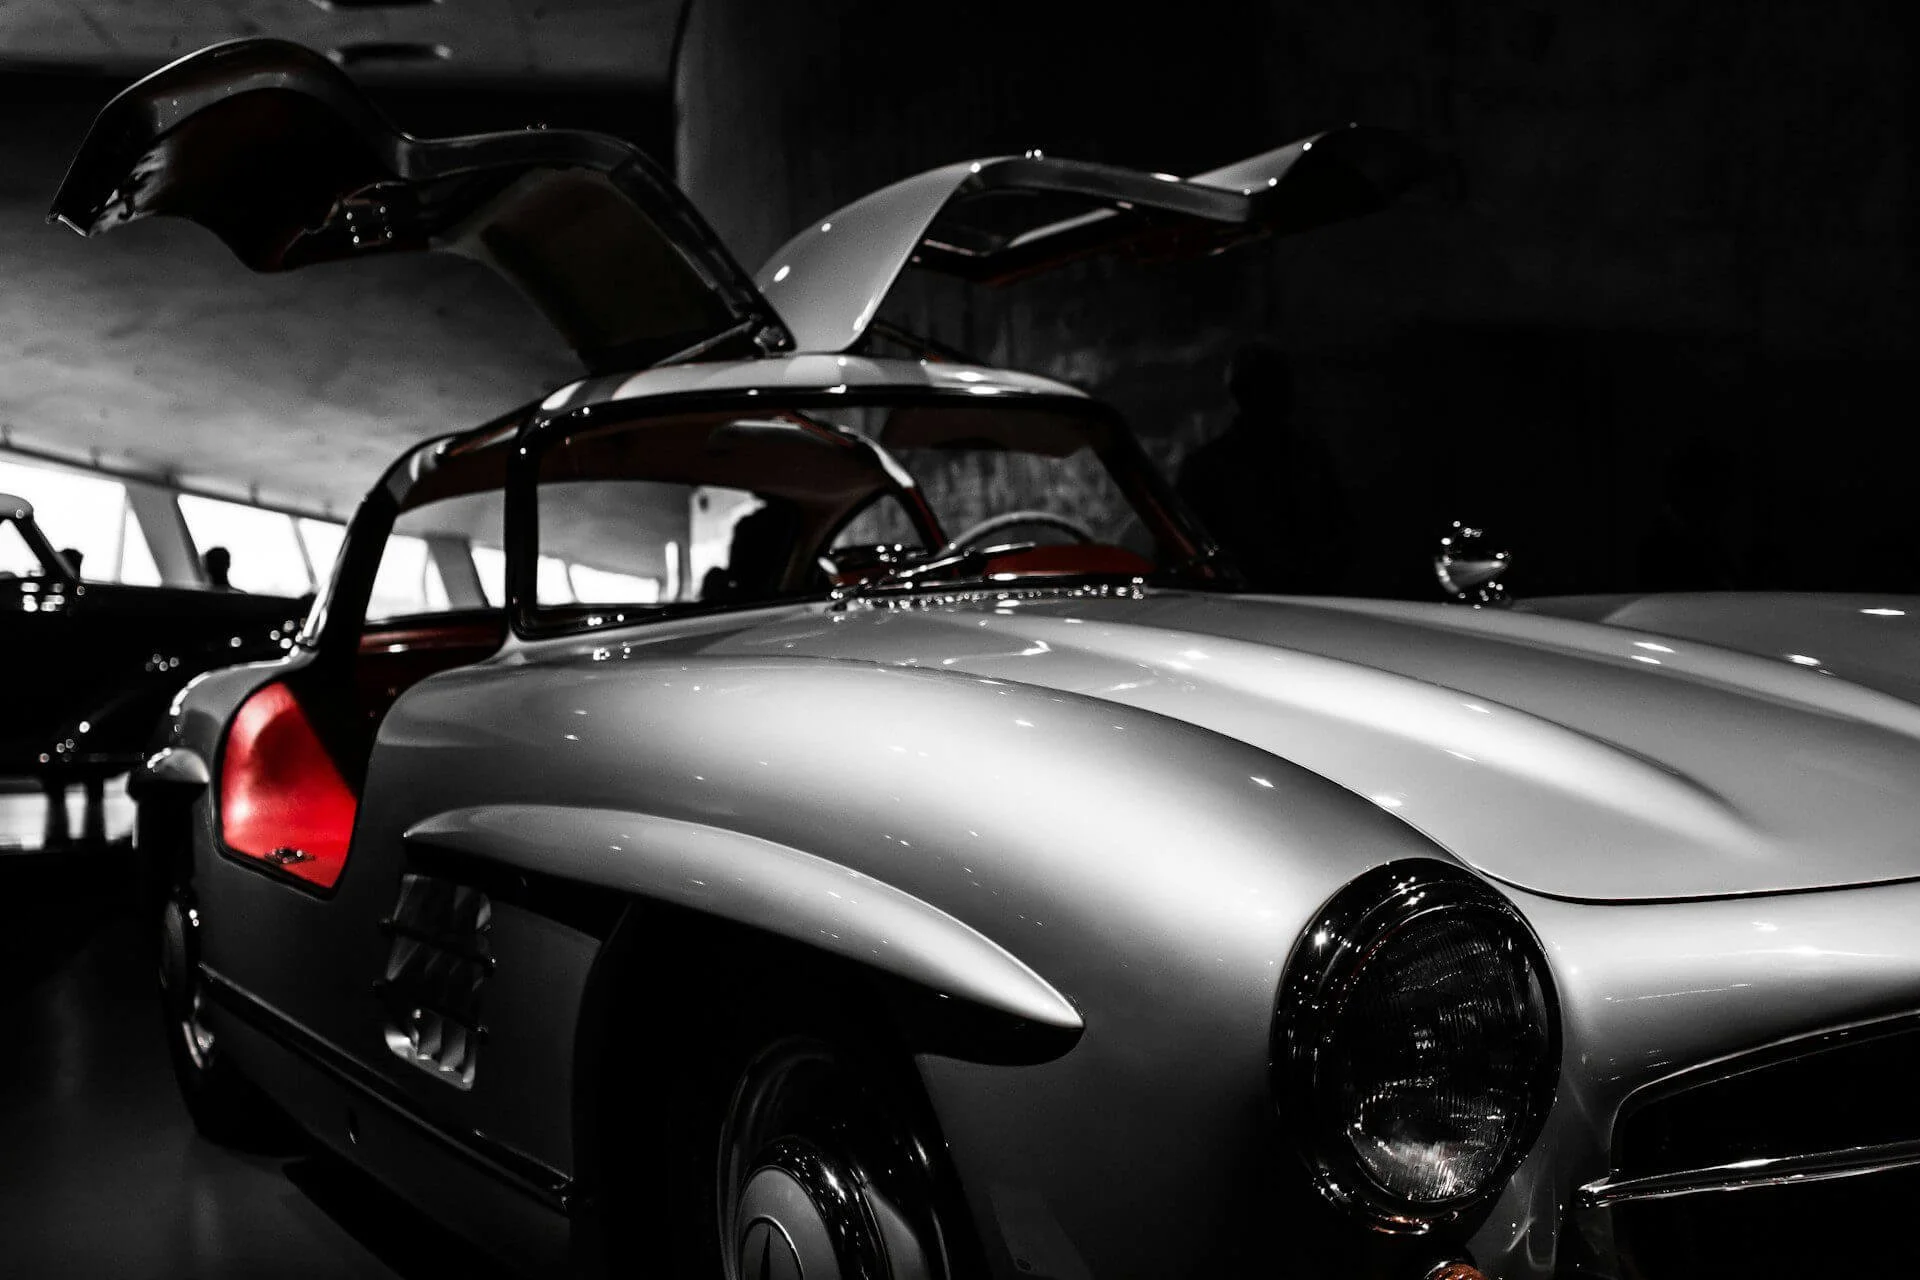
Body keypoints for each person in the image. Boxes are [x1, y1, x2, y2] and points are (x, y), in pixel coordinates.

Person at [1175, 343, 1354, 593]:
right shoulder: (1209, 467)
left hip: (1290, 598)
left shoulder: (1307, 461)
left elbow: (1335, 538)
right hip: (1243, 601)